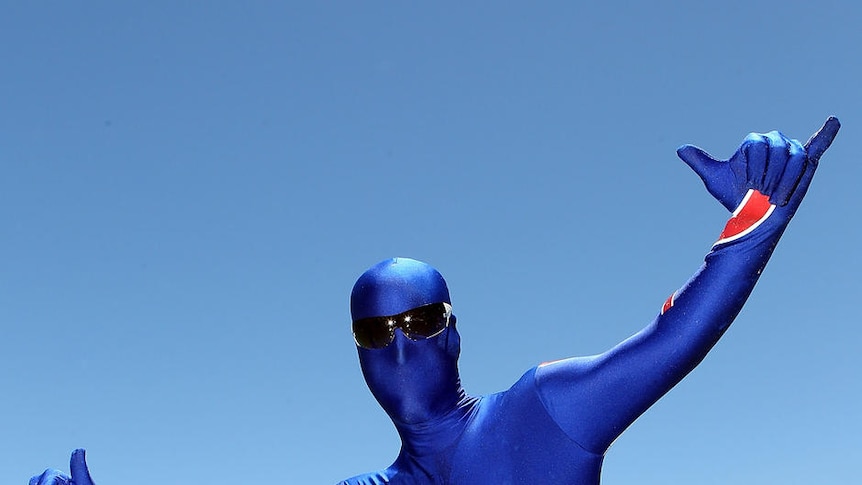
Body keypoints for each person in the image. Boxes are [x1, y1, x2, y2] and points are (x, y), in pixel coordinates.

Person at [31, 118, 840, 485]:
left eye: (419, 322)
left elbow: (673, 343)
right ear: (357, 358)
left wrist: (758, 215)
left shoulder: (541, 413)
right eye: (376, 332)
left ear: (455, 335)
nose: (402, 346)